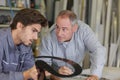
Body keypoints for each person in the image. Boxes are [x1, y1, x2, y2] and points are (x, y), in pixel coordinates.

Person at [39, 10, 106, 80]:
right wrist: (54, 74)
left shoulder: (84, 31)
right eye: (57, 27)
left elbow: (98, 50)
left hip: (77, 73)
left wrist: (95, 75)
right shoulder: (48, 38)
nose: (59, 33)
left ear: (74, 28)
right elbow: (43, 66)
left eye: (64, 29)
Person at [0, 8, 47, 80]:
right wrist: (25, 75)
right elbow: (28, 74)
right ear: (20, 26)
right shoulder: (1, 41)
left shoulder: (26, 45)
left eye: (37, 33)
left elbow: (31, 71)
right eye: (33, 30)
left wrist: (40, 74)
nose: (36, 37)